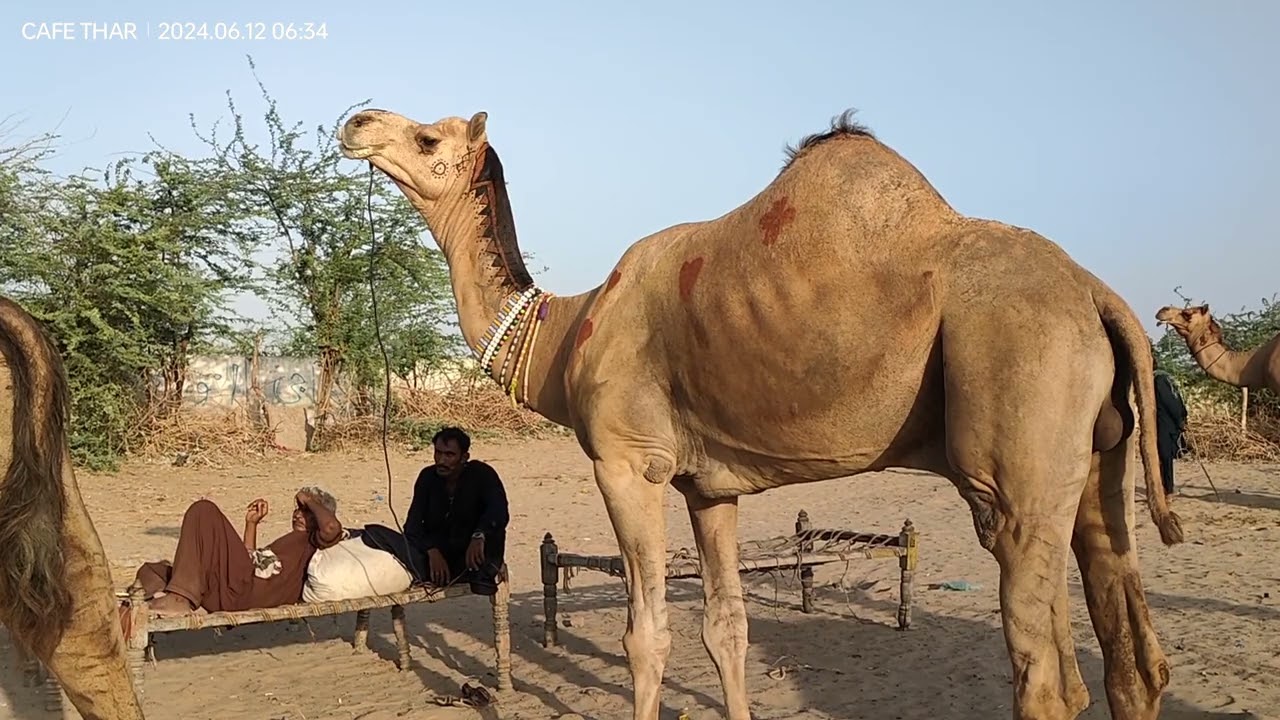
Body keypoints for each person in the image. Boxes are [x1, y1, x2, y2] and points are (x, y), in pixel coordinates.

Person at [132, 487, 345, 615]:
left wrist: (309, 499)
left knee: (203, 511)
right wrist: (251, 524)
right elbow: (251, 560)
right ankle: (148, 599)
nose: (298, 514)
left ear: (319, 517)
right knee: (156, 569)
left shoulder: (312, 541)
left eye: (307, 513)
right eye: (298, 509)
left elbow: (331, 528)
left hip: (245, 594)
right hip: (236, 587)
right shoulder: (289, 542)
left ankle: (178, 600)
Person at [390, 426, 509, 595]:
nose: (441, 460)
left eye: (449, 455)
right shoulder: (427, 477)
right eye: (438, 453)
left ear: (464, 457)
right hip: (435, 558)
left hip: (473, 558)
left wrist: (479, 535)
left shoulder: (482, 474)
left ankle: (480, 575)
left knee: (491, 536)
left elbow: (498, 512)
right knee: (378, 535)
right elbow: (413, 525)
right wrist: (432, 551)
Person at [1154, 367, 1189, 497]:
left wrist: (1180, 419)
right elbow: (1174, 401)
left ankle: (1168, 488)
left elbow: (1171, 402)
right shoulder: (1164, 379)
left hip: (1165, 423)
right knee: (1165, 457)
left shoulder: (1160, 380)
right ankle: (1167, 488)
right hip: (1166, 424)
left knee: (1165, 456)